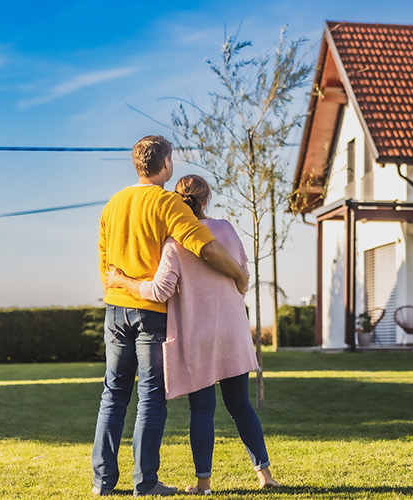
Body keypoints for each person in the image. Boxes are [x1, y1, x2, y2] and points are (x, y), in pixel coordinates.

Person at [93, 135, 250, 497]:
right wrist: (239, 275)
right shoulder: (167, 202)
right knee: (150, 397)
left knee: (113, 394)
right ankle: (144, 483)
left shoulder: (113, 204)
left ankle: (102, 483)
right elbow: (205, 247)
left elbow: (105, 264)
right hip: (150, 313)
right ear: (165, 164)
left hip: (115, 309)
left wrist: (120, 285)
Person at [104, 174, 281, 494]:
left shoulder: (174, 243)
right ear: (206, 199)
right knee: (240, 404)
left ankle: (204, 483)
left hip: (198, 336)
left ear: (176, 201)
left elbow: (159, 291)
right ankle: (265, 475)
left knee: (203, 409)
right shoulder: (227, 229)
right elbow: (243, 271)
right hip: (232, 329)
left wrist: (122, 281)